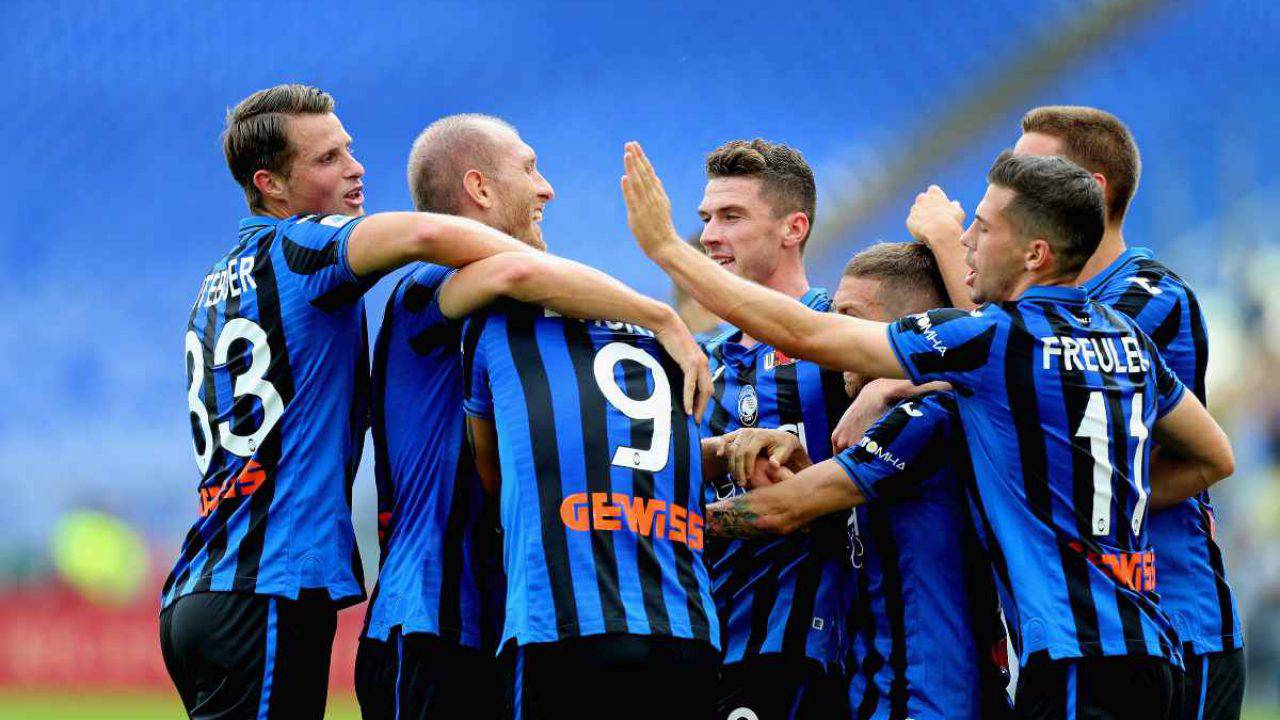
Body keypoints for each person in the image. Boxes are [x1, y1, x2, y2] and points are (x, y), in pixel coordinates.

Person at [621, 142, 1236, 718]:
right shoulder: (1125, 339)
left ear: (1034, 254)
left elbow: (806, 337)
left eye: (983, 229)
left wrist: (667, 248)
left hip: (1060, 656)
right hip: (1151, 646)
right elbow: (1213, 456)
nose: (964, 241)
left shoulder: (989, 342)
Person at [157, 82, 640, 720]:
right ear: (270, 185)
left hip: (209, 580)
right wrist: (649, 311)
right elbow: (427, 236)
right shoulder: (303, 247)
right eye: (327, 158)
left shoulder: (219, 282)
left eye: (348, 149)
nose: (355, 168)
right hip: (269, 581)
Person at [355, 114, 712, 720]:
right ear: (479, 188)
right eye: (529, 169)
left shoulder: (511, 314)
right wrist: (661, 316)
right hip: (429, 619)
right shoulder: (427, 285)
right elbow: (515, 269)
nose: (547, 188)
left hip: (494, 620)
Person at [908, 105, 1245, 719]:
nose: (1010, 182)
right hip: (1083, 635)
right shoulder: (1035, 314)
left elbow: (1023, 360)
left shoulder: (1146, 299)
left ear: (1088, 190)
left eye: (1030, 168)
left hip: (1175, 623)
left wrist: (945, 244)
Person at [710, 241, 1013, 719]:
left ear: (908, 328)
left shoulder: (928, 415)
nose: (834, 340)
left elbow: (780, 511)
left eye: (849, 317)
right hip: (879, 690)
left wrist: (660, 516)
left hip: (930, 700)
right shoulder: (900, 414)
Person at [687, 139, 854, 719]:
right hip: (704, 642)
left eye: (731, 217)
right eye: (707, 218)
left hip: (809, 643)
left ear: (793, 228)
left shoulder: (847, 335)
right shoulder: (696, 359)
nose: (710, 236)